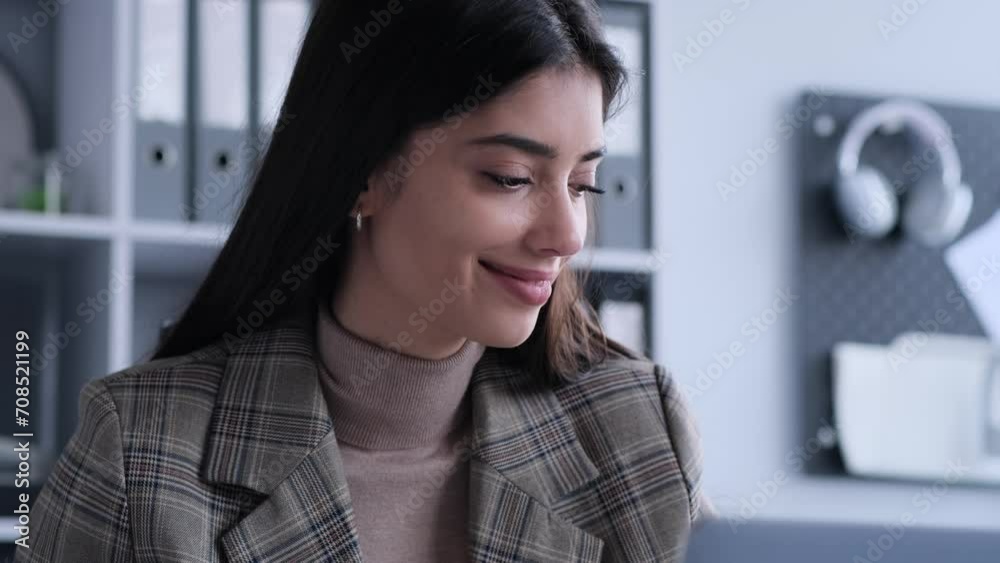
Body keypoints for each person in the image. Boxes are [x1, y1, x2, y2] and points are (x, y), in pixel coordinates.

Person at [18, 0, 715, 561]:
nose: (566, 235)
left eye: (583, 185)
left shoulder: (636, 431)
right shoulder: (142, 452)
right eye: (510, 178)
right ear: (364, 172)